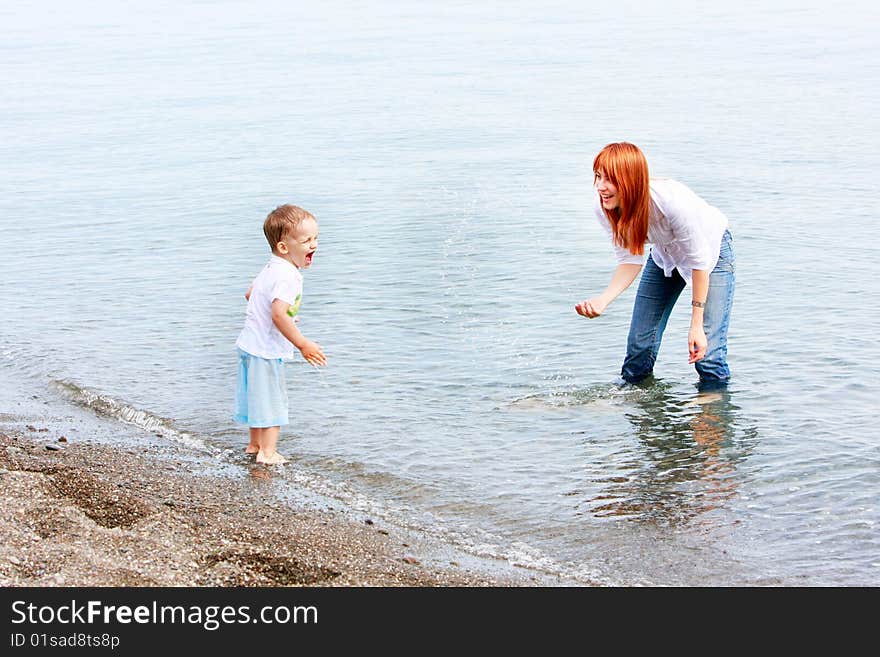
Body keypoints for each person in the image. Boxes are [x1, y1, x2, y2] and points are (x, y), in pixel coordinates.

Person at [575, 142, 735, 389]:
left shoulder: (671, 202)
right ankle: (638, 416)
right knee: (639, 347)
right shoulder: (604, 207)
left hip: (711, 254)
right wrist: (603, 300)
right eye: (598, 177)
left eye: (609, 180)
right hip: (665, 255)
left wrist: (695, 325)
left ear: (631, 180)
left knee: (708, 354)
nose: (600, 187)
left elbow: (699, 261)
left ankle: (711, 420)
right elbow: (630, 259)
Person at [234, 204, 327, 465]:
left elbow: (251, 293)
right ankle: (268, 453)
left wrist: (273, 313)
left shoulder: (271, 267)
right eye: (306, 240)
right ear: (284, 247)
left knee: (256, 397)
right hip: (264, 349)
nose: (314, 245)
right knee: (272, 401)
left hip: (249, 344)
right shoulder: (290, 276)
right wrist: (302, 343)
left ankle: (254, 445)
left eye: (316, 238)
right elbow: (277, 314)